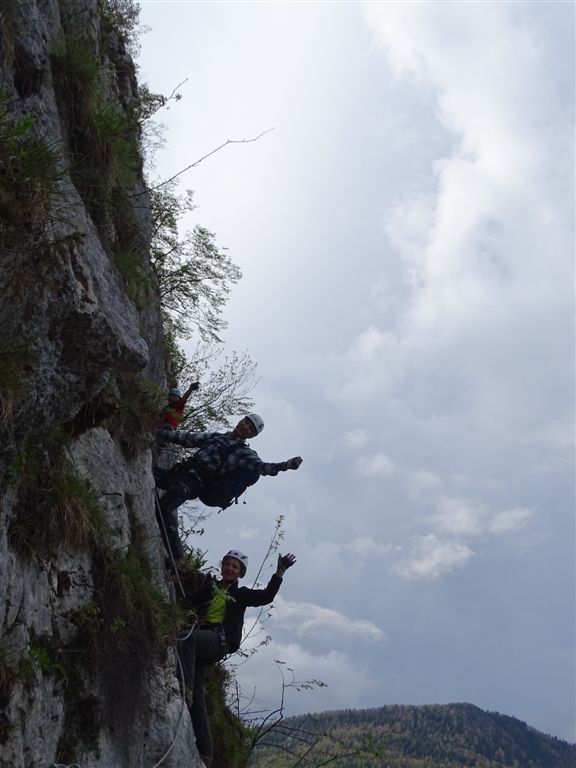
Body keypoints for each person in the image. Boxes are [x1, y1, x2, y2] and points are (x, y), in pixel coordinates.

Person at [178, 548, 297, 767]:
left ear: (240, 573)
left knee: (188, 640)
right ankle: (206, 751)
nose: (230, 568)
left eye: (235, 567)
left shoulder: (241, 595)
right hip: (207, 640)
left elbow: (267, 596)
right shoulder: (210, 588)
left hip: (219, 640)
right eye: (228, 564)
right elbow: (189, 600)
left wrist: (279, 572)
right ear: (222, 565)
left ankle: (182, 690)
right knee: (198, 697)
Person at [154, 414, 303, 560]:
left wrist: (285, 465)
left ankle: (178, 561)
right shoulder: (217, 437)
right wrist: (159, 432)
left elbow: (262, 467)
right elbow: (188, 438)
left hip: (194, 483)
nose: (245, 426)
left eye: (250, 428)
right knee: (152, 474)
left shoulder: (243, 453)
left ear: (251, 436)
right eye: (246, 421)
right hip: (180, 473)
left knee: (165, 507)